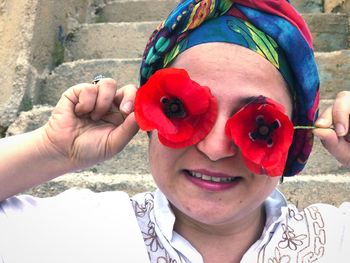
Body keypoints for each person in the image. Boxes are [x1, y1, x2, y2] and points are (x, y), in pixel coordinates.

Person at [0, 0, 349, 262]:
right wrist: (53, 149)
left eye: (258, 124)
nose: (215, 149)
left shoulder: (336, 242)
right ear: (148, 118)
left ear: (295, 139)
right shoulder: (78, 235)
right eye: (182, 109)